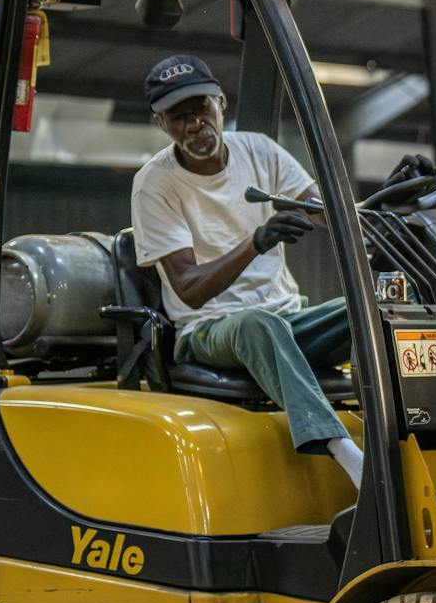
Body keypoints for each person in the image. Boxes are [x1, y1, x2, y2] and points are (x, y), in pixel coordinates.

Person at [128, 54, 364, 487]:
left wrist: (386, 205)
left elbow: (325, 211)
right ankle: (346, 454)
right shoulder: (155, 184)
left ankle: (400, 431)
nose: (194, 124)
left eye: (200, 108)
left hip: (286, 319)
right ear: (161, 124)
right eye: (178, 117)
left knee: (368, 314)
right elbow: (188, 290)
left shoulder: (259, 151)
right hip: (208, 330)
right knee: (260, 326)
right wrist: (256, 242)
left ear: (220, 103)